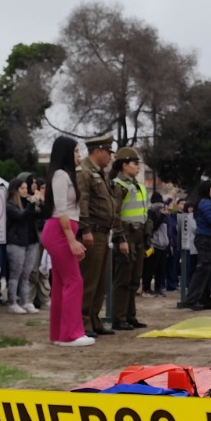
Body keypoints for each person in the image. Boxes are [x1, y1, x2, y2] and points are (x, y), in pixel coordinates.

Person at [40, 136, 92, 346]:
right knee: (74, 281)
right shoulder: (61, 175)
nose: (79, 156)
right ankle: (71, 334)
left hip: (62, 230)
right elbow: (61, 210)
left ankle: (60, 334)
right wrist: (72, 241)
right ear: (67, 153)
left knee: (63, 283)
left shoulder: (63, 175)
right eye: (76, 151)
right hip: (60, 231)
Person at [76, 136, 116, 335]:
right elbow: (82, 201)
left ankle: (93, 317)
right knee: (89, 279)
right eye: (108, 152)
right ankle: (83, 321)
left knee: (101, 281)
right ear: (98, 151)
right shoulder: (84, 172)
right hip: (93, 231)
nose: (110, 157)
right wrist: (85, 229)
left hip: (103, 232)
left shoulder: (99, 173)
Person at [110, 146, 149, 330]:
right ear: (124, 165)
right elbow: (115, 215)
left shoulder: (137, 186)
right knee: (123, 278)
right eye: (135, 163)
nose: (138, 167)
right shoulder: (119, 186)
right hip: (126, 235)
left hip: (139, 235)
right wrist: (121, 238)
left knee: (134, 279)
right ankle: (119, 317)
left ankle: (130, 315)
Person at [184, 179, 211, 310]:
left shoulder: (206, 203)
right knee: (203, 269)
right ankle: (192, 299)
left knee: (209, 269)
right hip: (206, 239)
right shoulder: (206, 203)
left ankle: (204, 299)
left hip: (209, 238)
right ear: (207, 190)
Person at [4, 174, 40, 313]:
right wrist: (31, 204)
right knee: (15, 274)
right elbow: (21, 216)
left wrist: (37, 202)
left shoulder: (27, 202)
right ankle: (12, 301)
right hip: (16, 241)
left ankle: (25, 301)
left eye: (26, 188)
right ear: (15, 190)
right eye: (23, 188)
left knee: (26, 274)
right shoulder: (10, 205)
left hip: (30, 241)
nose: (26, 190)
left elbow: (40, 213)